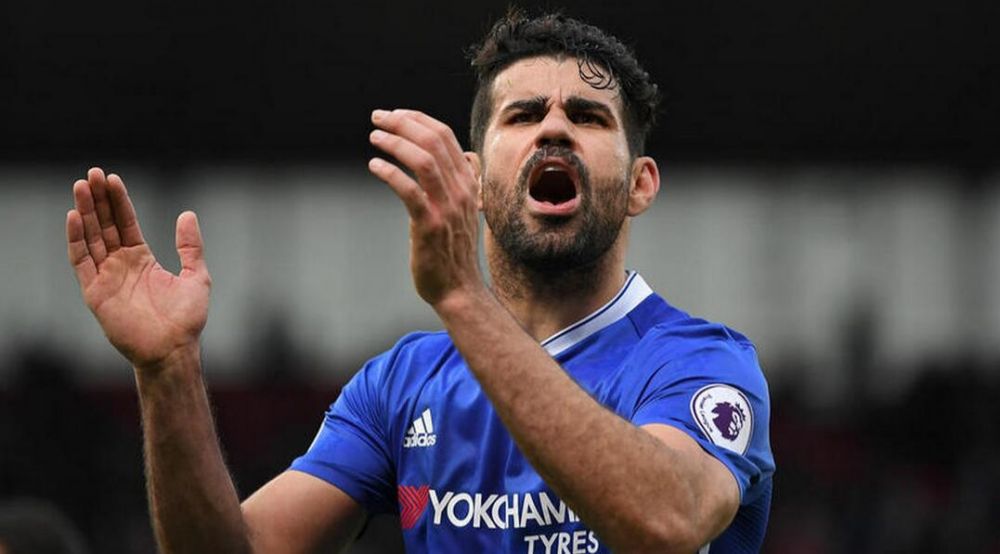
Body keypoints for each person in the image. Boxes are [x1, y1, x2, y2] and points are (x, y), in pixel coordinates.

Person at [66, 10, 774, 554]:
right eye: (523, 115)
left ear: (640, 184)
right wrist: (168, 371)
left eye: (587, 117)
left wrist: (462, 296)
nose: (554, 131)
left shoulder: (701, 362)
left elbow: (665, 522)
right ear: (472, 176)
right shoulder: (401, 384)